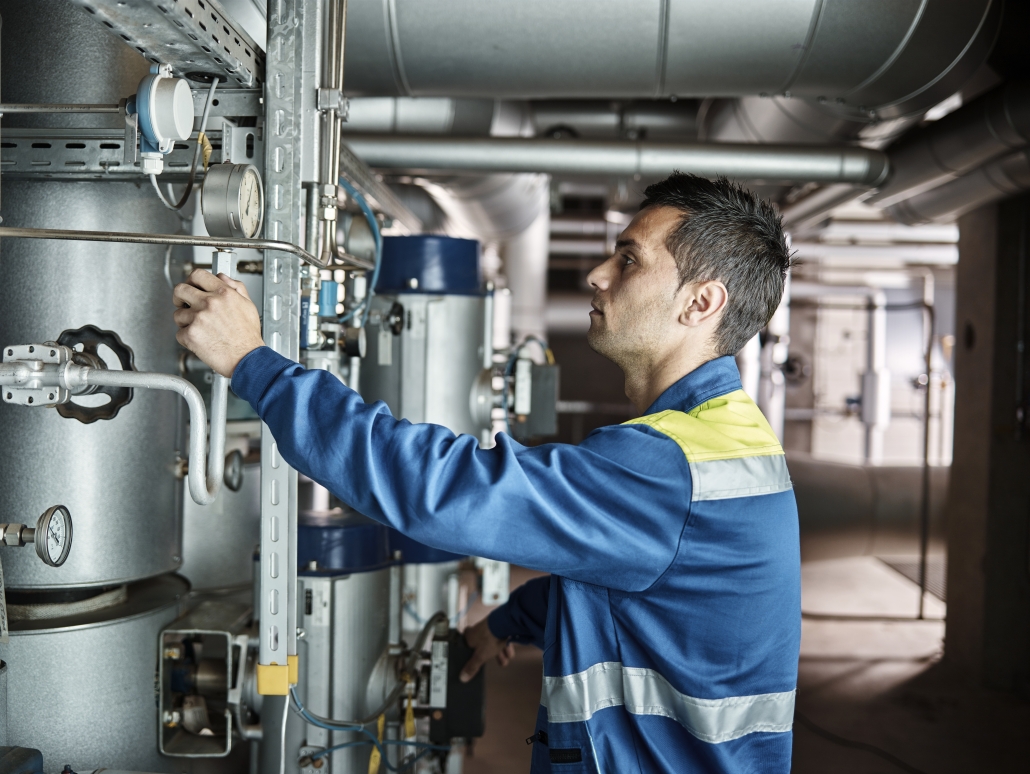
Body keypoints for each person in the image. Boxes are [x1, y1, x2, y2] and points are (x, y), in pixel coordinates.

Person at [172, 173, 800, 773]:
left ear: (701, 302)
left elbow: (442, 490)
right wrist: (507, 620)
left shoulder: (670, 468)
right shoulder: (722, 437)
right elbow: (652, 597)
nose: (597, 274)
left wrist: (254, 365)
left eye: (629, 261)